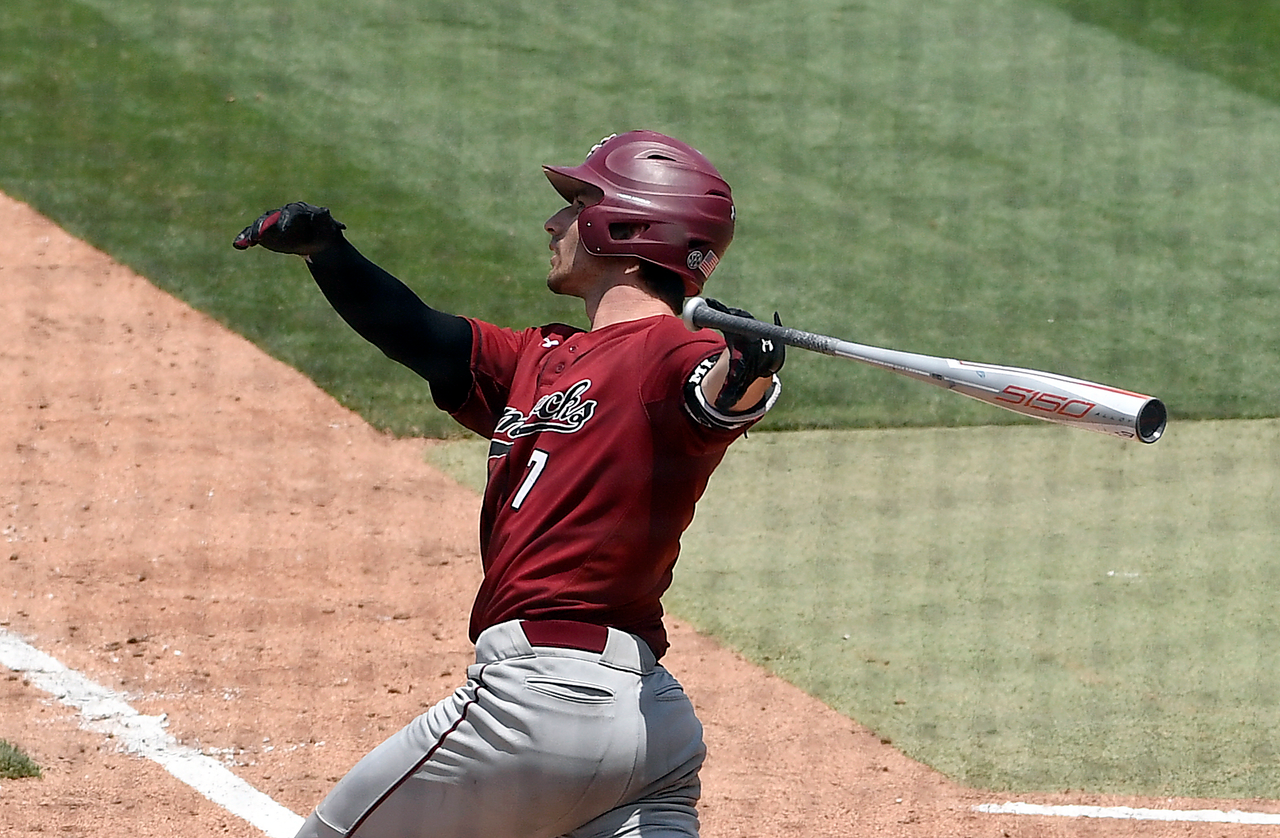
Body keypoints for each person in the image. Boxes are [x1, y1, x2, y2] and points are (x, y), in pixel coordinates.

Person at [233, 130, 785, 838]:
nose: (553, 224)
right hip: (650, 732)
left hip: (535, 707)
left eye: (576, 204)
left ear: (622, 224)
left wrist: (746, 371)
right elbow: (419, 334)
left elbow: (714, 397)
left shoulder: (677, 350)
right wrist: (328, 254)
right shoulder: (543, 356)